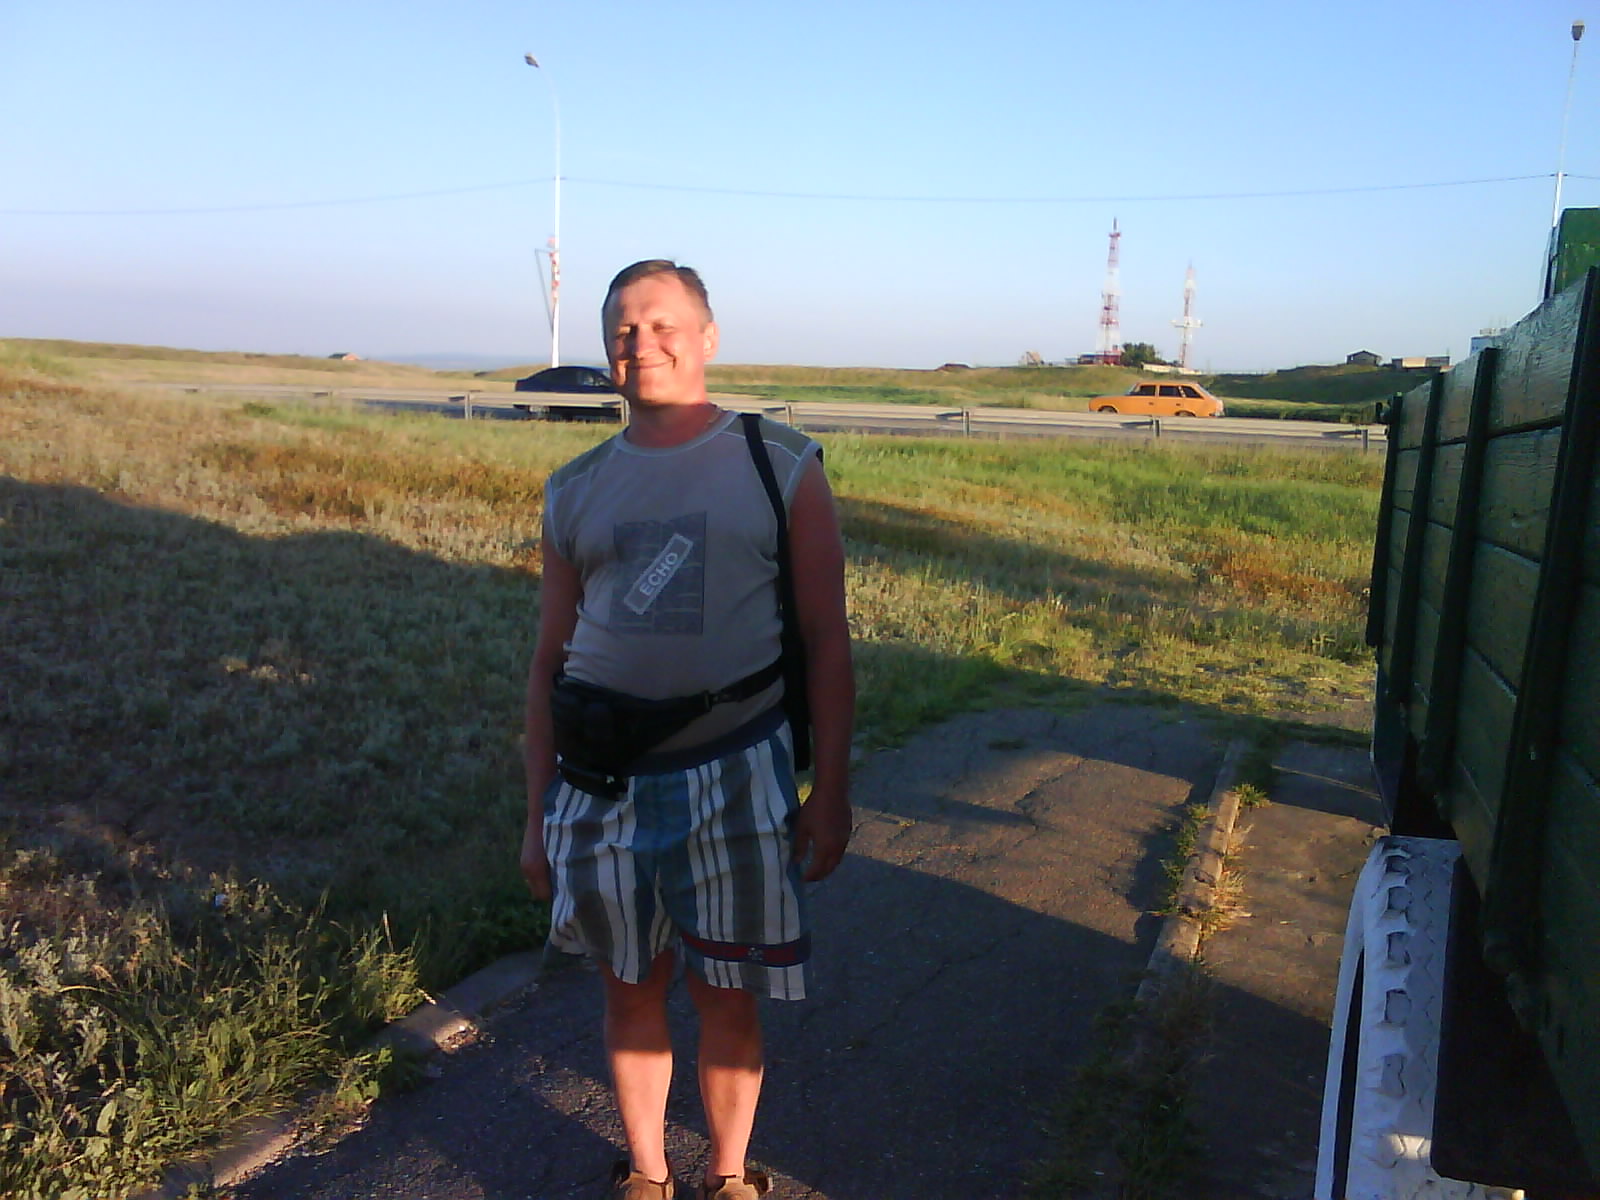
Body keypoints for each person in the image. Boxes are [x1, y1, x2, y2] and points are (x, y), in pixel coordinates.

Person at [521, 260, 854, 1200]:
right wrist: (535, 816)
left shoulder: (779, 464)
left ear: (707, 337)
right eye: (623, 328)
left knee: (727, 996)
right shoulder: (574, 486)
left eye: (663, 323)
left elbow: (827, 640)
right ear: (607, 351)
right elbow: (547, 663)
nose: (643, 342)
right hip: (600, 784)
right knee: (629, 991)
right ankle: (647, 1173)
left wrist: (830, 793)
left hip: (736, 772)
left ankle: (730, 1177)